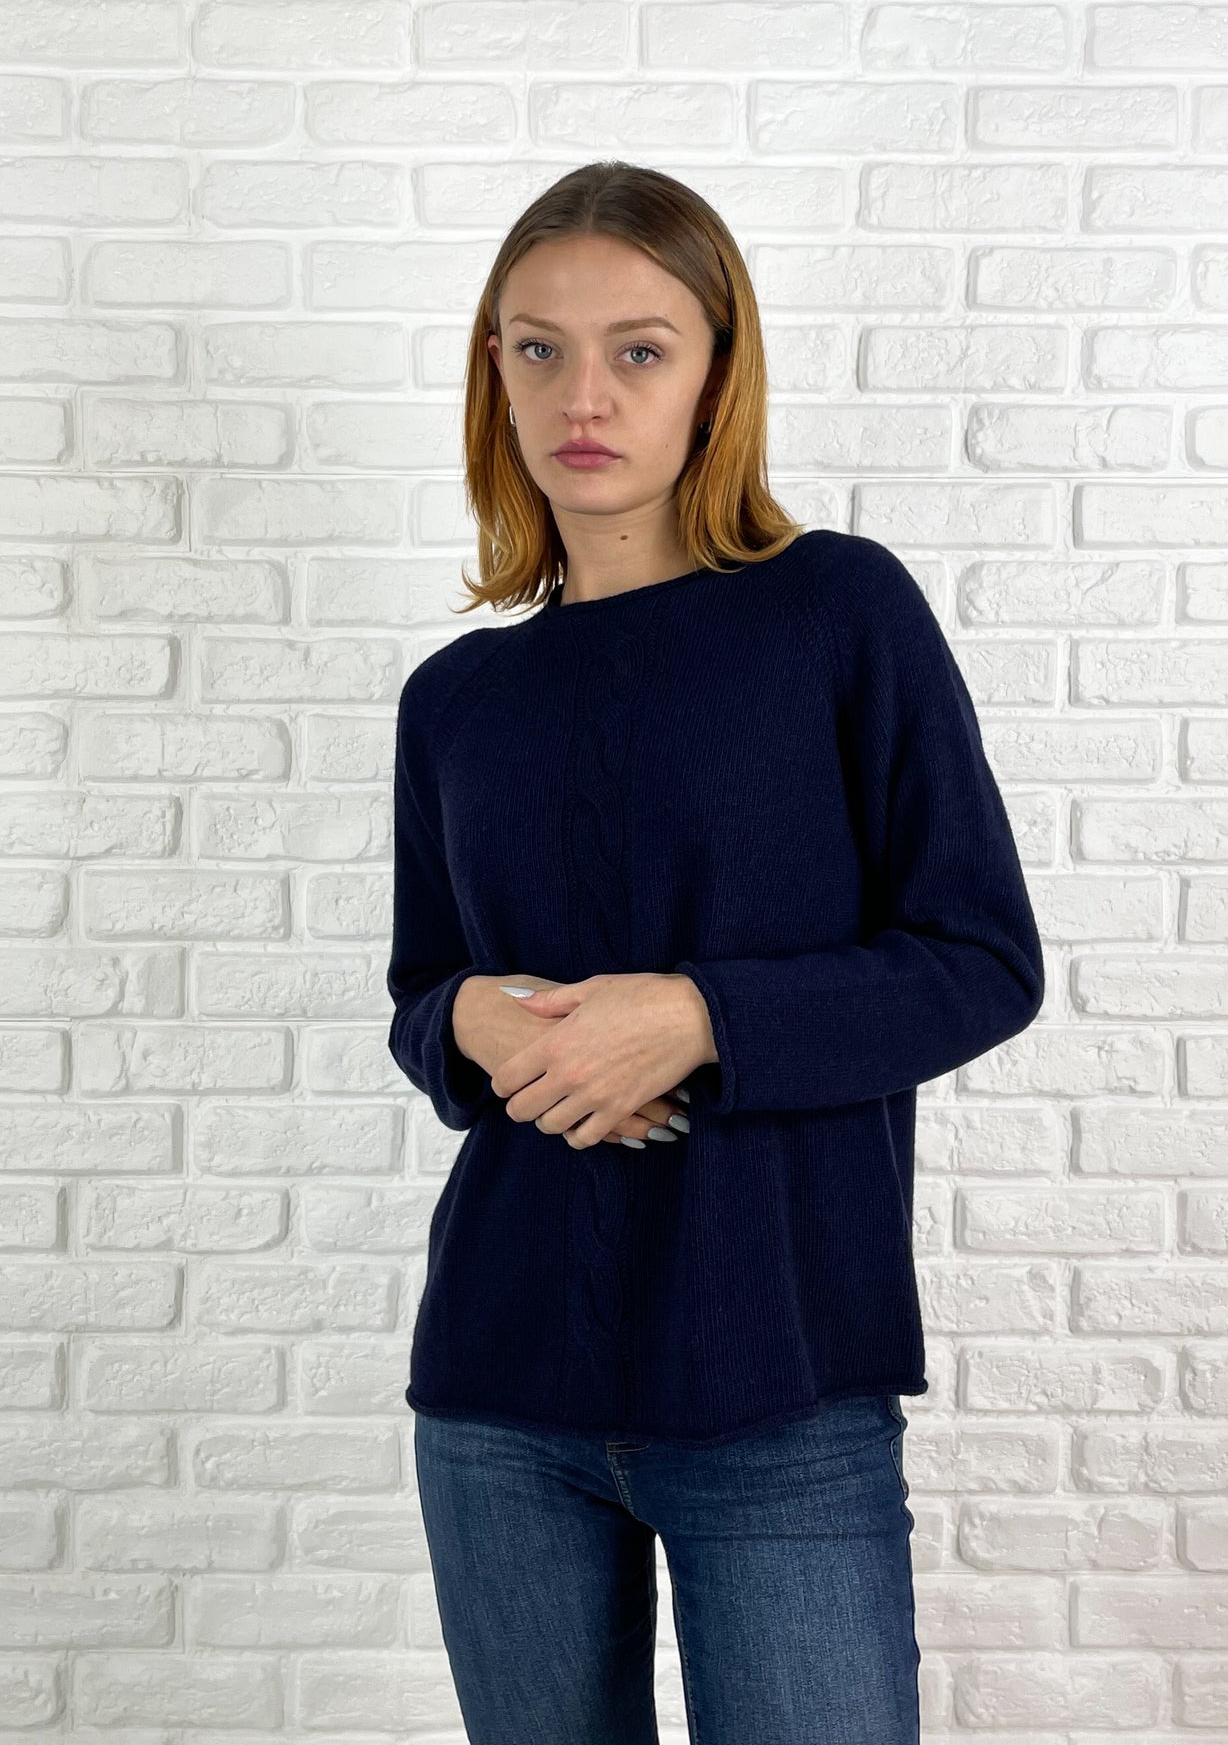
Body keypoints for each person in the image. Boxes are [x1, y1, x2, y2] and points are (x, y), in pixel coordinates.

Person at [386, 160, 1045, 1744]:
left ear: (717, 372)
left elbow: (978, 957)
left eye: (639, 348)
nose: (582, 395)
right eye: (536, 348)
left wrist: (695, 1016)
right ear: (492, 372)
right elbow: (422, 992)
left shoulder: (836, 611)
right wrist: (463, 1019)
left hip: (779, 1387)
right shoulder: (456, 698)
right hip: (496, 1389)